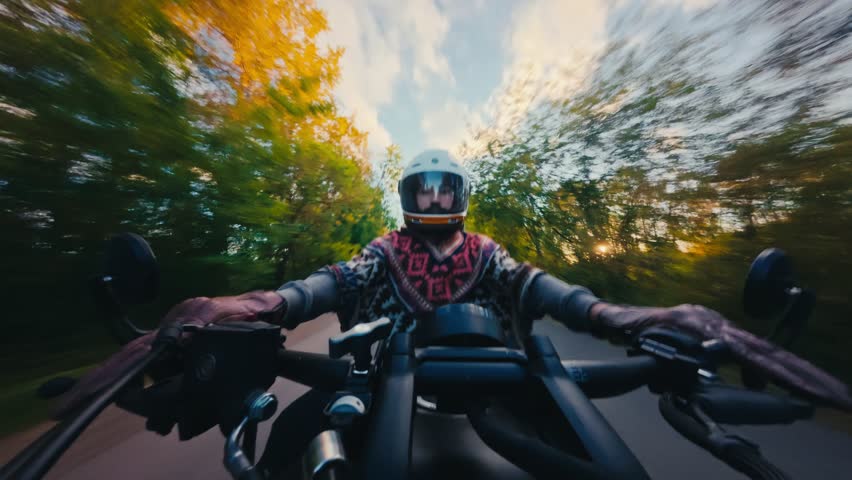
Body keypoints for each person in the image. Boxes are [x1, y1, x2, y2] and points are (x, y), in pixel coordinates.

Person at [53, 149, 852, 473]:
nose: (434, 199)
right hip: (376, 387)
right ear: (407, 201)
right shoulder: (379, 252)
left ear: (460, 200)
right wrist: (241, 306)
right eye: (421, 190)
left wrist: (640, 318)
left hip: (510, 388)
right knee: (291, 439)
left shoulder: (492, 256)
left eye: (445, 190)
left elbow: (563, 298)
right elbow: (311, 293)